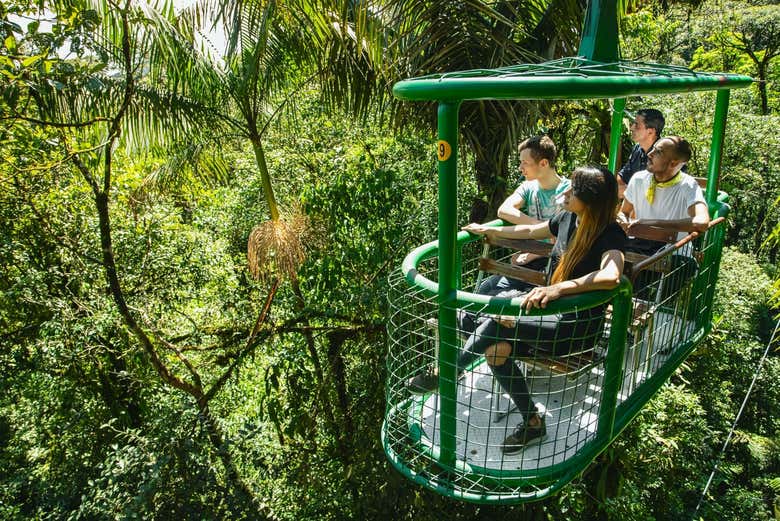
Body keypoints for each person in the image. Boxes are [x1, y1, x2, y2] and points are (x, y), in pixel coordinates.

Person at [410, 166, 626, 453]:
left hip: (574, 328)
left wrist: (558, 288)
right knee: (494, 349)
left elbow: (611, 275)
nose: (565, 193)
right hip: (547, 315)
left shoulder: (610, 234)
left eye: (572, 190)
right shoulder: (567, 217)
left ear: (589, 200)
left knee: (498, 322)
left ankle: (446, 371)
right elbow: (529, 229)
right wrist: (487, 229)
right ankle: (533, 422)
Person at [474, 135, 570, 297]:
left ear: (544, 163)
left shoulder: (567, 191)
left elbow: (562, 235)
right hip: (529, 261)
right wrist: (539, 225)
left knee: (501, 299)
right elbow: (504, 210)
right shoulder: (529, 187)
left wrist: (531, 254)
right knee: (483, 290)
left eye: (525, 163)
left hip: (552, 266)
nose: (520, 168)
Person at [619, 136, 709, 301]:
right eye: (653, 149)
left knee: (681, 267)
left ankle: (656, 312)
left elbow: (702, 222)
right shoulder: (639, 179)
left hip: (672, 250)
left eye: (658, 152)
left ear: (674, 163)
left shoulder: (687, 186)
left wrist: (652, 224)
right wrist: (623, 219)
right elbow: (623, 211)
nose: (650, 154)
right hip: (641, 245)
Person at [617, 109, 665, 199]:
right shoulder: (637, 149)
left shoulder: (666, 154)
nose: (631, 128)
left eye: (637, 125)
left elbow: (661, 193)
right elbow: (622, 176)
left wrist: (628, 192)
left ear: (650, 131)